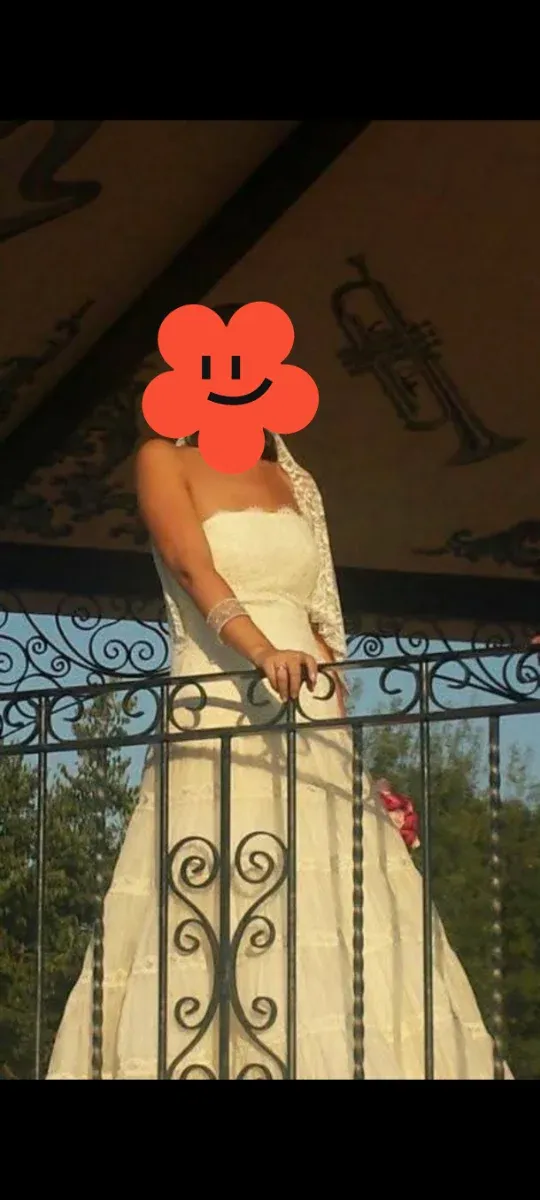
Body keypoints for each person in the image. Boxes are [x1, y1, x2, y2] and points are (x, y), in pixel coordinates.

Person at [46, 418, 511, 1079]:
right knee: (215, 879)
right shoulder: (162, 458)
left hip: (309, 704)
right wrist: (261, 651)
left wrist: (347, 746)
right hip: (220, 691)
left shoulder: (295, 479)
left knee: (338, 895)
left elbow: (321, 613)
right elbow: (189, 563)